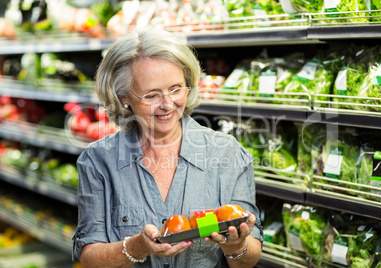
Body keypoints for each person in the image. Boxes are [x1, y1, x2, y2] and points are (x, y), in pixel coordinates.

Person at [72, 27, 263, 268]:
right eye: (151, 95)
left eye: (176, 89)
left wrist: (236, 247)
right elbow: (89, 256)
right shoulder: (99, 161)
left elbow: (250, 257)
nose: (168, 104)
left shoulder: (228, 153)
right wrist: (136, 247)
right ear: (124, 98)